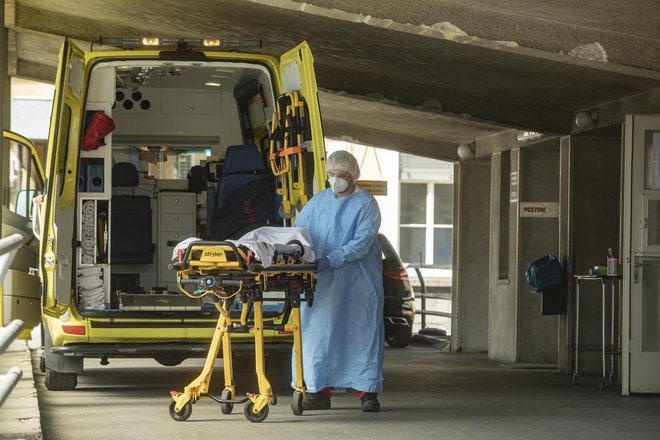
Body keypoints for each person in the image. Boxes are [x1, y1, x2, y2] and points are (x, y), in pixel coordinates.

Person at [292, 150, 384, 412]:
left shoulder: (366, 204)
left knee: (361, 332)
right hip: (322, 283)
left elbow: (362, 243)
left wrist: (331, 259)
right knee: (320, 333)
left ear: (352, 176)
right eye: (331, 175)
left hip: (358, 282)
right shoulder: (318, 201)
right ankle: (318, 391)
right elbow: (299, 231)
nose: (335, 180)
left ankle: (368, 392)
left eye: (340, 176)